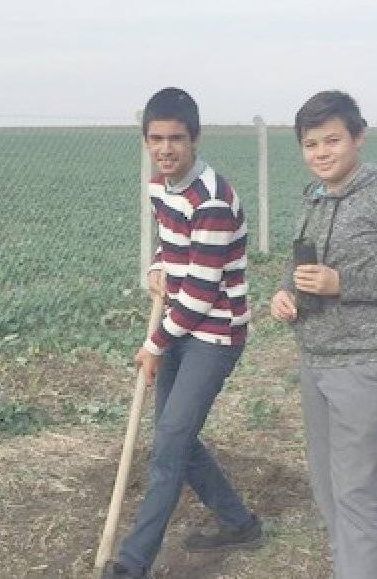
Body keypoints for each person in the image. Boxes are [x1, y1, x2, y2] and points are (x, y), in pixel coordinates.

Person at [270, 91, 377, 579]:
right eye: (310, 144)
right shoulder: (313, 196)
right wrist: (284, 293)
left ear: (358, 137)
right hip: (316, 358)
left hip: (366, 361)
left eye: (332, 140)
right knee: (327, 487)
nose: (321, 153)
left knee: (355, 491)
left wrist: (343, 283)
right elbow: (300, 264)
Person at [102, 88, 263, 578]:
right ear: (146, 140)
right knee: (176, 436)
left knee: (169, 443)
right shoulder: (161, 185)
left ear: (194, 138)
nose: (165, 148)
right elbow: (172, 245)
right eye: (156, 139)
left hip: (214, 333)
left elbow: (200, 290)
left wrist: (155, 345)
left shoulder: (212, 198)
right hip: (180, 325)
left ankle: (132, 563)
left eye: (175, 138)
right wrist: (157, 264)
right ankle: (239, 523)